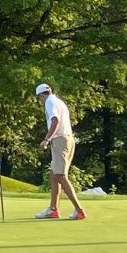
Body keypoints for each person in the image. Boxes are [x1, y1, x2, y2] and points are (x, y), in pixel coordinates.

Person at [34, 83, 86, 220]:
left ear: (41, 95)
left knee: (60, 176)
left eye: (38, 98)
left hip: (60, 140)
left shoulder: (49, 102)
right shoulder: (58, 101)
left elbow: (55, 120)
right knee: (53, 174)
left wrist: (46, 139)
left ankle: (79, 210)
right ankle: (53, 209)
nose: (39, 101)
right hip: (66, 139)